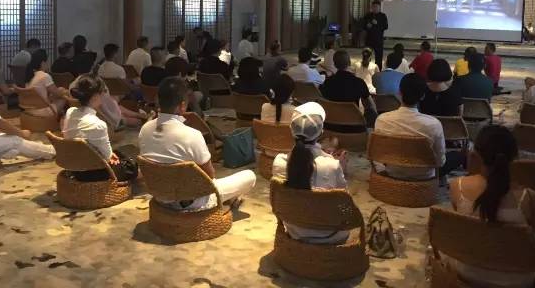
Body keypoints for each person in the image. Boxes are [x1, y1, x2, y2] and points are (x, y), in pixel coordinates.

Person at [138, 77, 256, 211]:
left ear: (158, 101)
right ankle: (228, 198)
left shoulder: (145, 129)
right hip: (192, 201)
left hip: (160, 196)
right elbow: (209, 176)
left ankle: (229, 197)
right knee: (249, 176)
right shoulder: (192, 134)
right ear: (183, 105)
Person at [448, 125, 535, 287]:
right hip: (516, 281)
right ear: (515, 157)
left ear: (476, 155)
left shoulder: (458, 187)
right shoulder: (529, 198)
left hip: (467, 272)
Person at [272, 102, 348, 244]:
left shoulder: (279, 161)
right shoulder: (332, 165)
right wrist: (341, 169)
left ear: (291, 129)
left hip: (293, 229)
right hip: (329, 234)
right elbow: (343, 201)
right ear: (321, 131)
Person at [374, 73, 463, 180]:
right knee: (458, 155)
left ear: (399, 92)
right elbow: (440, 162)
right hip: (424, 176)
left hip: (392, 172)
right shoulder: (433, 124)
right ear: (423, 96)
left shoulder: (382, 120)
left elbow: (378, 154)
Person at [63, 75, 137, 182]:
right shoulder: (98, 124)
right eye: (103, 92)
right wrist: (110, 155)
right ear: (95, 96)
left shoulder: (70, 112)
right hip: (96, 172)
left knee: (121, 152)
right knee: (132, 161)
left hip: (73, 167)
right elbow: (108, 158)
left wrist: (110, 154)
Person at [320, 50, 377, 129]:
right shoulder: (359, 82)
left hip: (332, 126)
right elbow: (370, 106)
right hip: (354, 127)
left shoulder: (327, 82)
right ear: (349, 63)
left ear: (334, 64)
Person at [25, 49, 68, 116]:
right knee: (63, 98)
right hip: (41, 112)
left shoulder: (30, 75)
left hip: (29, 110)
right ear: (43, 63)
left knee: (59, 91)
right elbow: (58, 94)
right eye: (47, 62)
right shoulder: (44, 76)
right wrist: (65, 92)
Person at [362, 0, 388, 69]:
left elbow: (385, 26)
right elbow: (362, 25)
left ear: (379, 7)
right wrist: (367, 26)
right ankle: (365, 69)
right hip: (369, 39)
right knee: (366, 55)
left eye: (376, 7)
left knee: (378, 57)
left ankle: (378, 70)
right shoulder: (368, 15)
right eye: (373, 7)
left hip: (378, 40)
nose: (375, 8)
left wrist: (377, 23)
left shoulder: (383, 16)